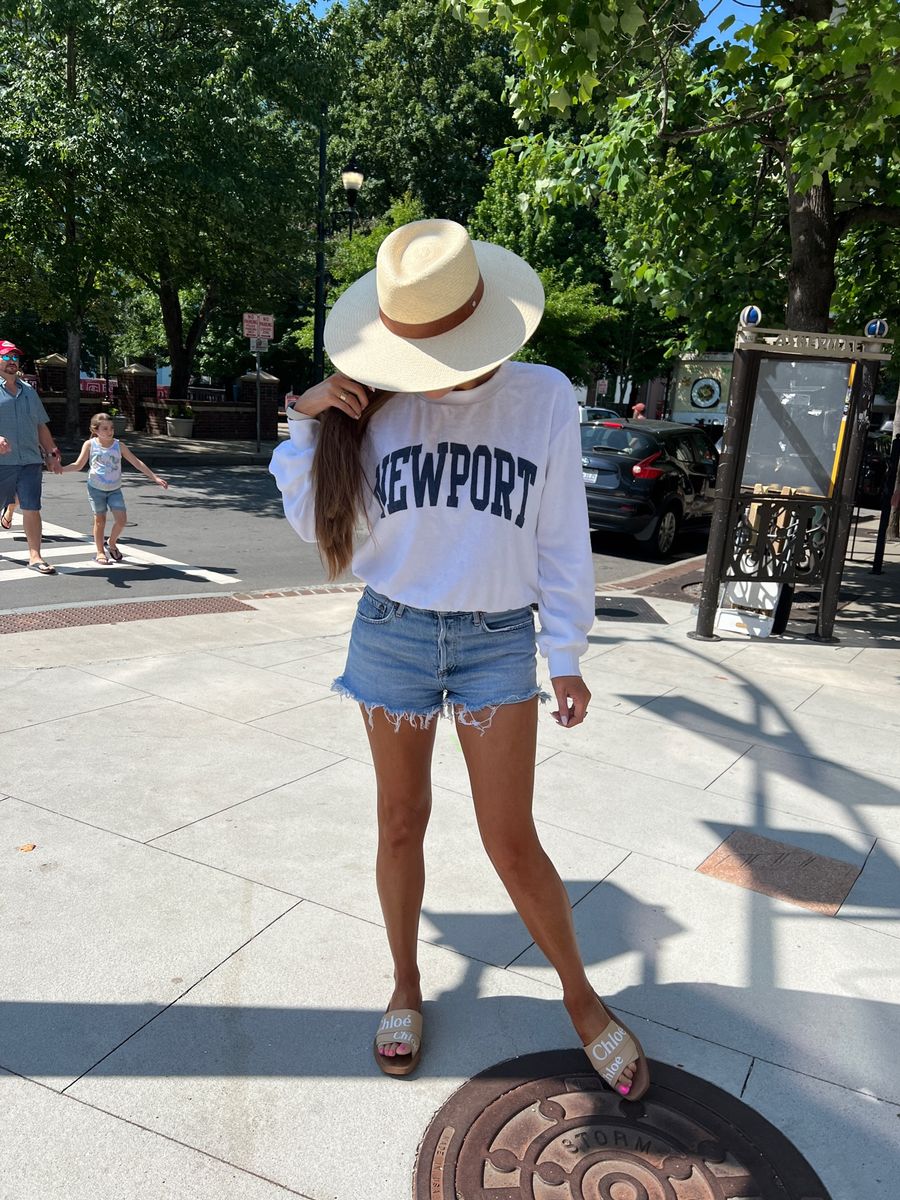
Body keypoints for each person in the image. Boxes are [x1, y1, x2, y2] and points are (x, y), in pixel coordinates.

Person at [270, 219, 650, 1099]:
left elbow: (561, 534)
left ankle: (582, 1000)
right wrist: (304, 417)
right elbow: (313, 522)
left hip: (494, 642)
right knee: (399, 821)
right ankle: (405, 982)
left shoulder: (545, 396)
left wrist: (568, 651)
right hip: (392, 632)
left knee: (510, 839)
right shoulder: (372, 398)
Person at [61, 411, 168, 562]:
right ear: (95, 430)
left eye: (111, 428)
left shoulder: (119, 446)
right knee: (100, 520)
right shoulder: (90, 445)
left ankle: (111, 543)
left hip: (114, 489)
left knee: (122, 520)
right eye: (105, 428)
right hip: (96, 488)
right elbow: (78, 465)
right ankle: (100, 552)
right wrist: (61, 469)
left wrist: (154, 477)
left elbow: (137, 462)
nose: (109, 431)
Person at [0, 339, 62, 573]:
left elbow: (40, 426)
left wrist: (51, 453)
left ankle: (35, 556)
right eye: (6, 357)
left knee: (31, 508)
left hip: (29, 461)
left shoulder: (28, 391)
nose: (12, 361)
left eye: (15, 357)